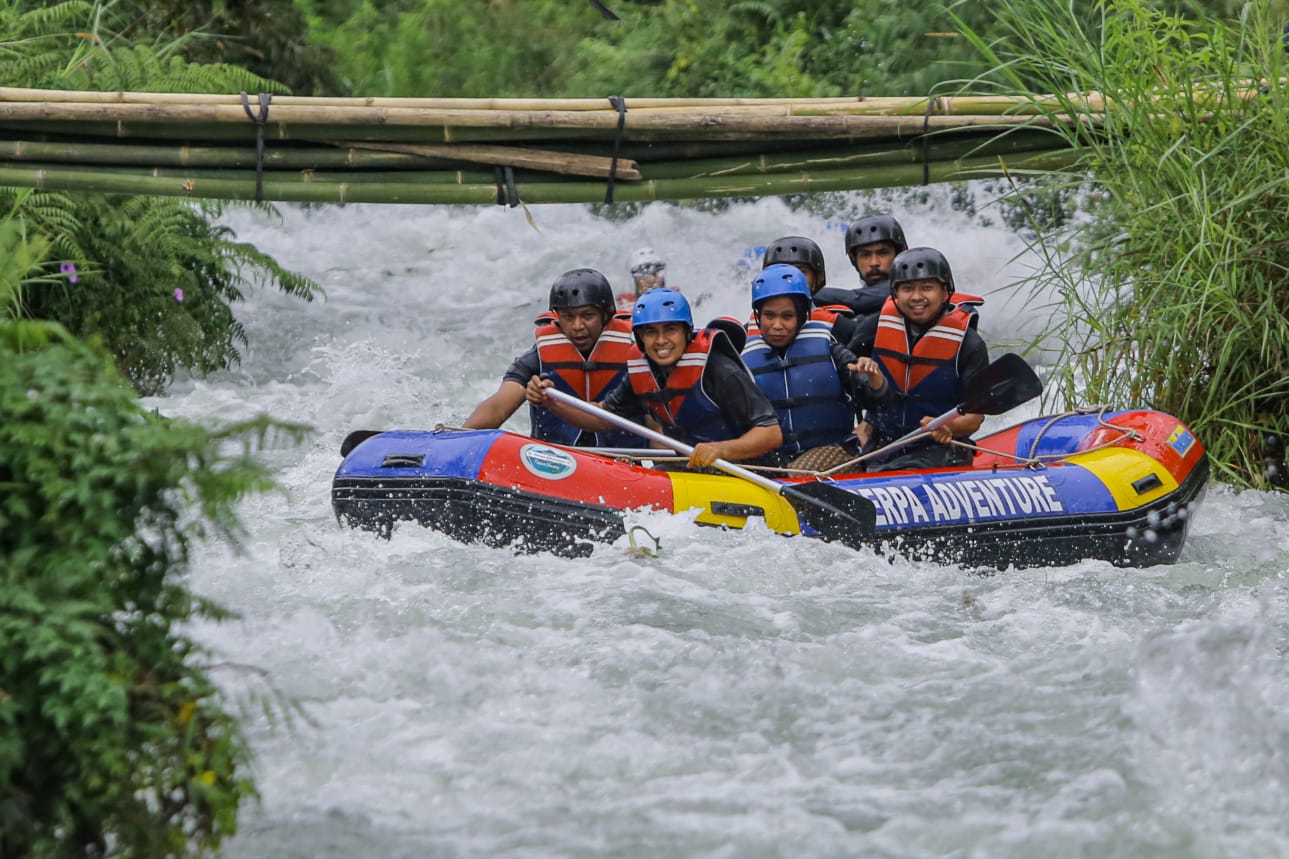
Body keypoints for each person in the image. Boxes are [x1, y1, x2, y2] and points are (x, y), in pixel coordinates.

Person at [526, 287, 783, 468]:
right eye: (651, 332)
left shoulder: (720, 370)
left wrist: (721, 449)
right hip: (691, 468)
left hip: (750, 470)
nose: (661, 341)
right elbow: (601, 419)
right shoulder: (642, 370)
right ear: (640, 338)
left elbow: (770, 433)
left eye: (670, 330)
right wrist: (552, 402)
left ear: (686, 332)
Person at [464, 268, 644, 448]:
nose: (578, 326)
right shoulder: (537, 359)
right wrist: (457, 440)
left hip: (625, 462)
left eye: (588, 315)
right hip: (553, 462)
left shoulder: (635, 357)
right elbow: (498, 406)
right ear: (557, 317)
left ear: (606, 314)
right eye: (568, 317)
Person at [847, 247, 990, 472]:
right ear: (895, 294)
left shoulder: (969, 345)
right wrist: (866, 381)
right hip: (880, 447)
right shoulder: (872, 329)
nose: (916, 297)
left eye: (927, 288)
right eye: (907, 289)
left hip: (940, 449)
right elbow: (847, 387)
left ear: (945, 293)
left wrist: (947, 426)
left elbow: (973, 419)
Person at [741, 264, 868, 470]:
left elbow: (875, 399)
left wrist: (874, 383)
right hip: (773, 460)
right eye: (769, 316)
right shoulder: (744, 358)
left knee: (797, 472)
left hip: (836, 451)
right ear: (757, 316)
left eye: (787, 317)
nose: (777, 325)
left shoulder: (830, 348)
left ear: (802, 316)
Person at [758, 235, 860, 344]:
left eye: (801, 271)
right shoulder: (746, 331)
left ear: (817, 278)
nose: (791, 279)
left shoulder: (841, 328)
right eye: (782, 271)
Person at [812, 213, 910, 320]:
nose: (874, 262)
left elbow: (856, 300)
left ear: (899, 254)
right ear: (854, 260)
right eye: (865, 255)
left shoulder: (909, 288)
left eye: (883, 253)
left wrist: (802, 291)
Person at [617, 246, 667, 312]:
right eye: (644, 274)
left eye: (656, 272)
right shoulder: (624, 314)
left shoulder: (678, 305)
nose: (651, 280)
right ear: (633, 280)